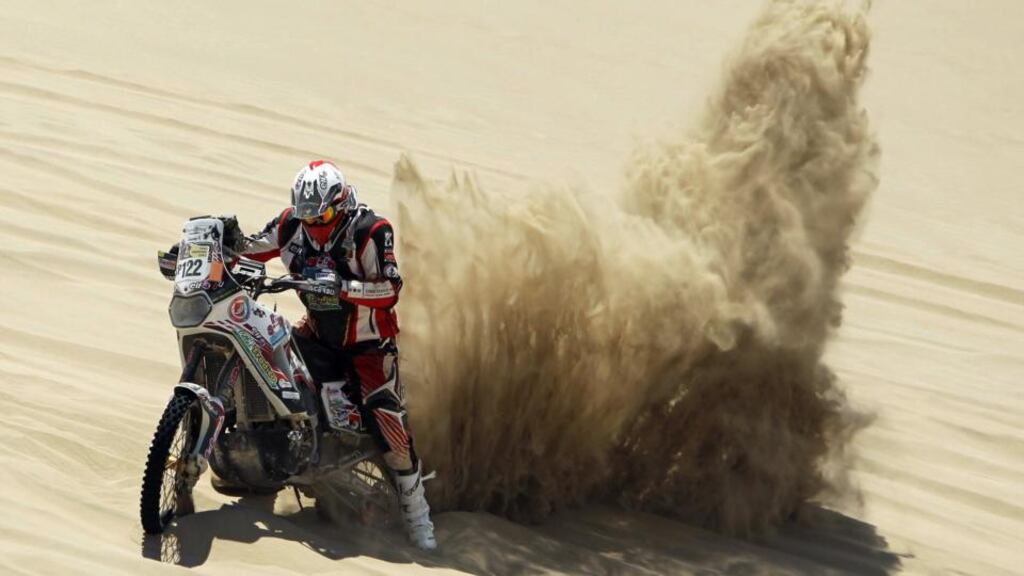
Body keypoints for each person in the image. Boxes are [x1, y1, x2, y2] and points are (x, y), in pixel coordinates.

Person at [241, 160, 436, 550]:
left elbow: (391, 290)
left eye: (323, 215)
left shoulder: (370, 232)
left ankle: (419, 519)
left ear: (341, 203)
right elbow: (249, 248)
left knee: (386, 421)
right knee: (264, 361)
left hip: (368, 344)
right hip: (316, 332)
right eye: (306, 215)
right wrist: (210, 245)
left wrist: (343, 286)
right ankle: (251, 462)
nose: (314, 224)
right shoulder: (291, 225)